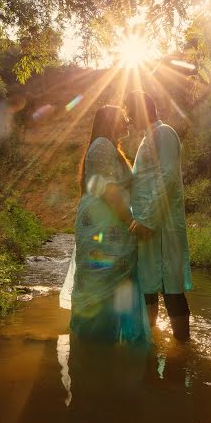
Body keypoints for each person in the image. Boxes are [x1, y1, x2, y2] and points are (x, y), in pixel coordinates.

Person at [62, 105, 150, 345]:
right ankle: (93, 343)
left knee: (107, 278)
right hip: (102, 221)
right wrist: (131, 221)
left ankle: (100, 342)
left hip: (107, 220)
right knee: (100, 277)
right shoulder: (102, 145)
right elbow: (110, 191)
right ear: (111, 121)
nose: (127, 122)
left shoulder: (108, 146)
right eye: (123, 119)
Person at [124, 91, 192, 341]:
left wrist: (148, 219)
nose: (128, 118)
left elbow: (168, 176)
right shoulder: (148, 138)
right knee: (149, 286)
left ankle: (184, 349)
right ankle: (151, 345)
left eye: (130, 112)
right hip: (146, 227)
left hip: (161, 227)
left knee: (171, 289)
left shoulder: (164, 134)